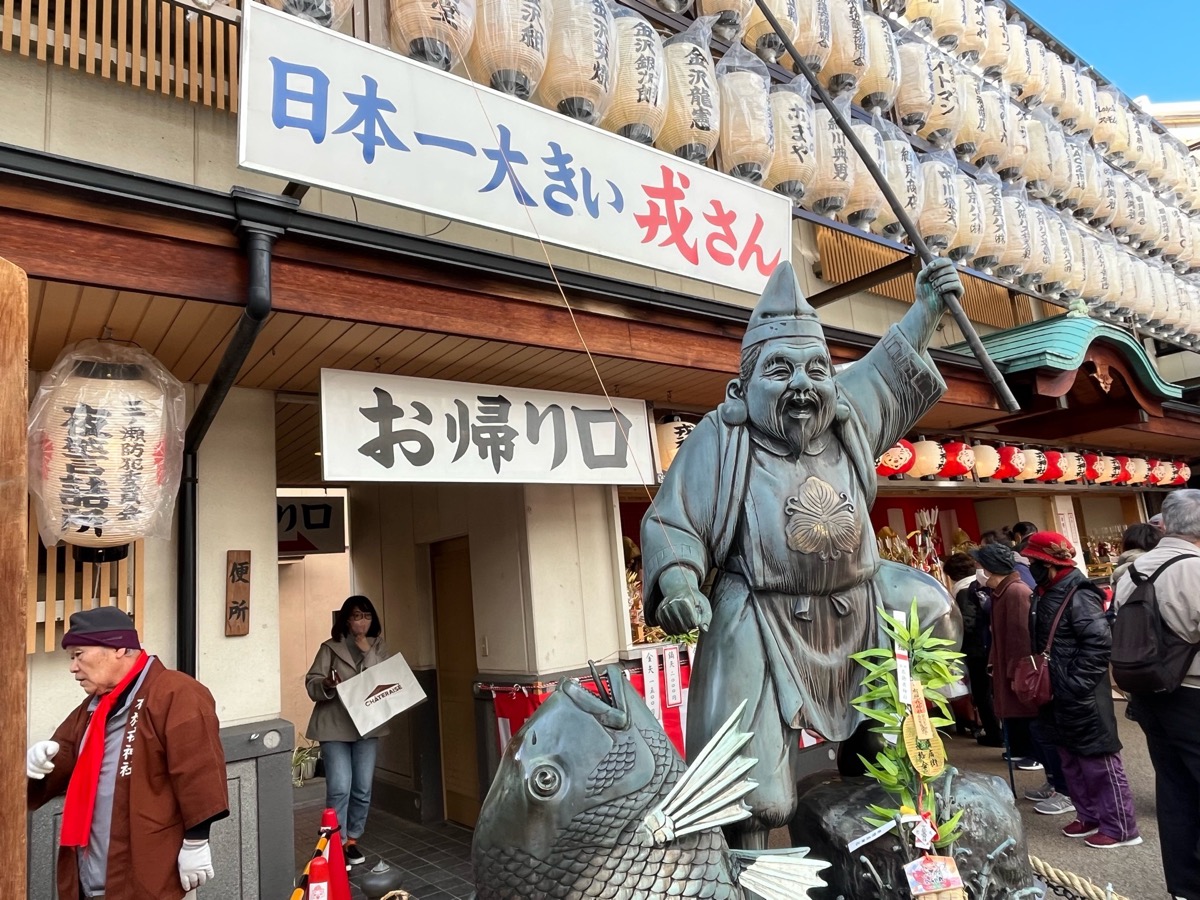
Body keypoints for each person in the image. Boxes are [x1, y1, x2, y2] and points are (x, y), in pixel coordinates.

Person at [640, 257, 965, 848]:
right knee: (756, 795)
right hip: (761, 614)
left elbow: (885, 373)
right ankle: (744, 856)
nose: (802, 385)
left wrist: (926, 308)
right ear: (743, 388)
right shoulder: (723, 435)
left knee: (929, 607)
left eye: (817, 370)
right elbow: (673, 518)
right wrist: (681, 583)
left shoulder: (841, 418)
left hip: (859, 600)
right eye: (780, 370)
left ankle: (879, 754)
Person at [26, 607, 230, 900]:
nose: (73, 668)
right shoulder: (94, 707)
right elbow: (66, 752)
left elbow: (198, 768)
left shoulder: (176, 692)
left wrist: (196, 842)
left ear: (120, 647)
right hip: (92, 870)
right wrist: (39, 762)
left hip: (150, 869)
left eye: (78, 654)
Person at [1025, 531, 1141, 849]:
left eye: (1033, 561)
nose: (1030, 565)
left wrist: (1075, 684)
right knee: (1070, 759)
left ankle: (1121, 827)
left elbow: (1099, 642)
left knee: (1099, 761)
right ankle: (1089, 816)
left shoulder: (1078, 592)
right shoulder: (1045, 590)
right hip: (1057, 693)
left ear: (1048, 562)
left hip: (1083, 695)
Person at [1113, 490, 1200, 896]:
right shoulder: (1195, 569)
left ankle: (1185, 884)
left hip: (1149, 692)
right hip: (1193, 693)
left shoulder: (1131, 570)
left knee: (1175, 789)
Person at [972, 543, 1073, 813]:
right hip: (1012, 672)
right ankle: (1053, 781)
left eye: (981, 565)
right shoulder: (1001, 592)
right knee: (1037, 731)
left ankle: (1062, 787)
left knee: (1041, 731)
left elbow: (1021, 640)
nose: (978, 570)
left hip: (1023, 676)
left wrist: (1015, 676)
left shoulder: (1015, 592)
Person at [306, 595, 390, 866]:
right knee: (340, 786)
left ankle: (352, 840)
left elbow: (385, 681)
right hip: (334, 724)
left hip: (367, 725)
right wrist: (327, 685)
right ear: (346, 619)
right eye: (356, 616)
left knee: (363, 787)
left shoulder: (378, 646)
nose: (361, 622)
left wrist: (367, 650)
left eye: (366, 617)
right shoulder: (330, 647)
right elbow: (312, 682)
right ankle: (334, 840)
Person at [944, 552, 1002, 745]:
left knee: (982, 692)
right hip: (991, 644)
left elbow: (966, 623)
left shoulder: (963, 591)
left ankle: (994, 733)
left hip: (977, 649)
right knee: (992, 690)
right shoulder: (981, 585)